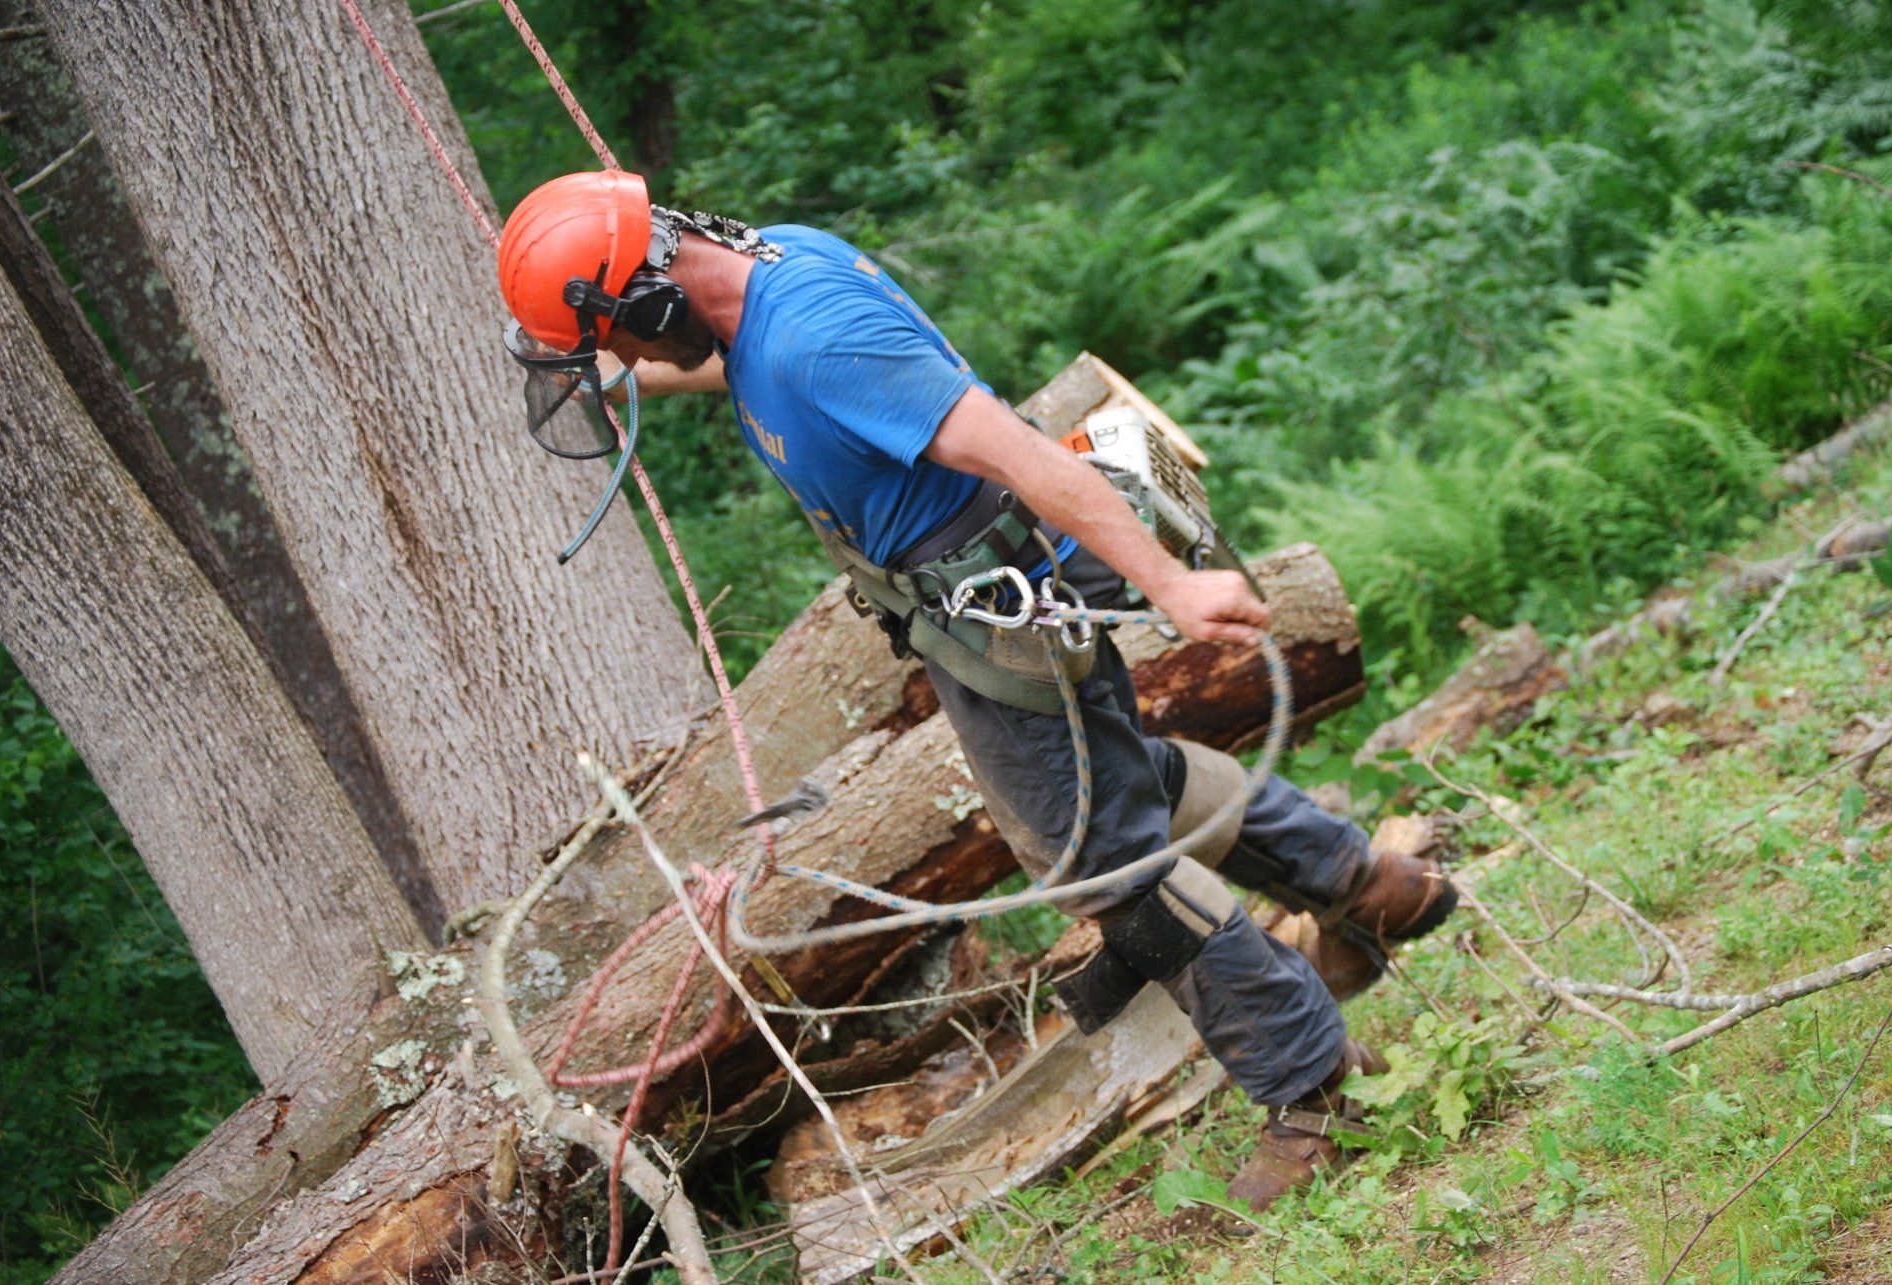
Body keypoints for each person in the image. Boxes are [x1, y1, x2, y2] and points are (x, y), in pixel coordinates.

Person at [496, 171, 1456, 1207]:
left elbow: (1025, 454)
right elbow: (749, 368)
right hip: (969, 597)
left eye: (629, 342)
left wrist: (1171, 583)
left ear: (650, 301)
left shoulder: (822, 344)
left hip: (1003, 605)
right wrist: (607, 360)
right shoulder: (768, 269)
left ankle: (1306, 1084)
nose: (631, 362)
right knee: (1130, 786)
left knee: (1109, 867)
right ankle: (1364, 883)